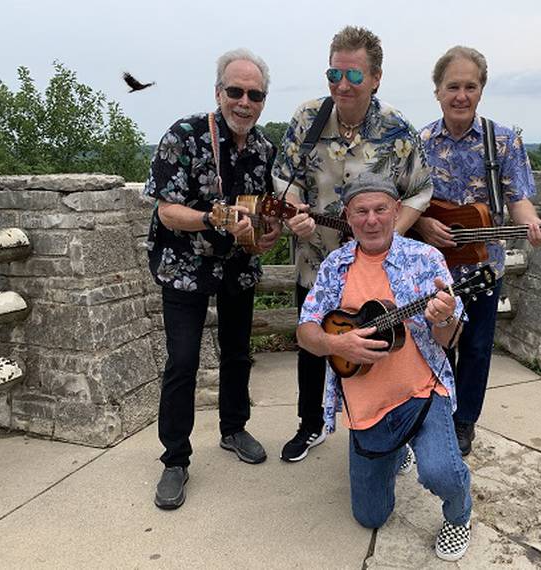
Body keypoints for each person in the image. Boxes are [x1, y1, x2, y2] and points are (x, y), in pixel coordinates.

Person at [273, 26, 433, 462]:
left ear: (376, 78)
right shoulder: (307, 119)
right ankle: (311, 425)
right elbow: (282, 181)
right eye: (334, 74)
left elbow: (420, 189)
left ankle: (392, 427)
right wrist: (295, 216)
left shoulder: (398, 128)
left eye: (354, 76)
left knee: (385, 345)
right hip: (317, 259)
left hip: (378, 266)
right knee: (315, 343)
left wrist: (392, 233)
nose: (342, 85)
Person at [297, 172, 473, 561]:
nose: (371, 220)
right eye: (361, 211)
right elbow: (305, 330)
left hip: (422, 392)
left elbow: (449, 340)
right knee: (370, 516)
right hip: (367, 406)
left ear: (396, 212)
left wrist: (443, 318)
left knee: (440, 472)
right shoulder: (336, 265)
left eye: (380, 209)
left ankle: (459, 515)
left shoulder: (425, 259)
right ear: (348, 215)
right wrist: (335, 342)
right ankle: (397, 451)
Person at [144, 48, 282, 509]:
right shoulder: (183, 136)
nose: (245, 101)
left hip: (237, 267)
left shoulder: (264, 149)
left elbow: (264, 216)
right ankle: (175, 461)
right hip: (185, 267)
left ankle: (233, 428)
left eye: (255, 94)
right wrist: (216, 219)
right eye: (236, 91)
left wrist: (263, 237)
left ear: (263, 100)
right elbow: (166, 210)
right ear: (218, 91)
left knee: (238, 353)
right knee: (183, 361)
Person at [416, 46, 541, 456]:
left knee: (475, 346)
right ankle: (433, 413)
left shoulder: (504, 142)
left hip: (482, 267)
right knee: (434, 342)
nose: (461, 95)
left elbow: (519, 198)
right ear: (438, 91)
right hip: (432, 266)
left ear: (481, 91)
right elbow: (406, 202)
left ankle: (464, 422)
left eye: (470, 87)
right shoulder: (419, 143)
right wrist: (424, 223)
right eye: (453, 86)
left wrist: (531, 221)